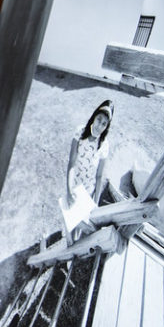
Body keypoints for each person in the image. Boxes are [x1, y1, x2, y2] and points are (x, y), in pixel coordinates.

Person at [60, 100, 114, 241]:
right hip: (74, 184)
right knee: (69, 222)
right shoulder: (80, 132)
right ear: (93, 117)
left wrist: (95, 204)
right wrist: (69, 191)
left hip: (87, 190)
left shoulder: (104, 145)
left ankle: (74, 246)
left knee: (80, 223)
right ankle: (66, 243)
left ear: (107, 127)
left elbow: (99, 176)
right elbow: (71, 163)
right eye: (99, 120)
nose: (99, 126)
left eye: (104, 124)